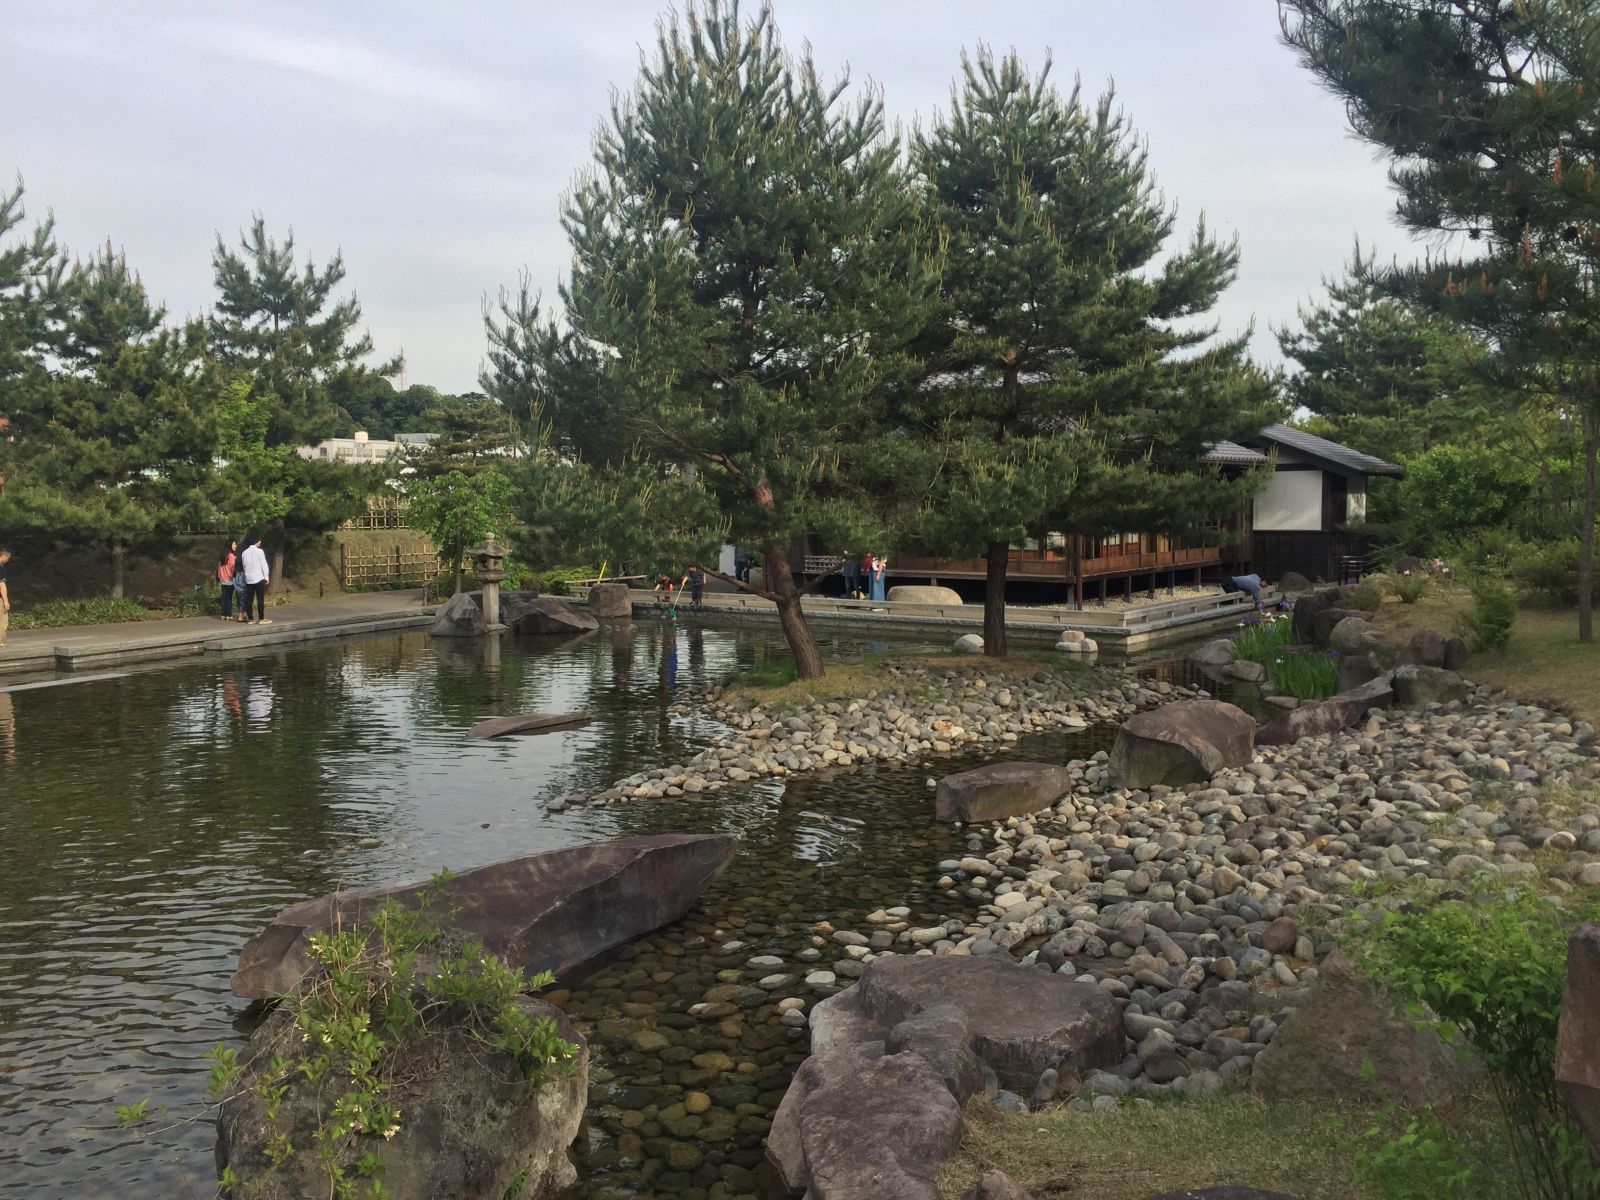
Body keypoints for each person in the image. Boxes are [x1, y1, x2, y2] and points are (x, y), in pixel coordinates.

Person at [239, 534, 271, 624]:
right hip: (259, 578)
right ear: (256, 541)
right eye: (259, 540)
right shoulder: (259, 551)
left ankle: (250, 618)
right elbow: (264, 565)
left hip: (249, 579)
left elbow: (244, 566)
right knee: (260, 599)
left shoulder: (244, 553)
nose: (260, 542)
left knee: (249, 599)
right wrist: (266, 577)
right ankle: (261, 618)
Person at [217, 540, 239, 620]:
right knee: (229, 597)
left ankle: (223, 615)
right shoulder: (231, 556)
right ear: (230, 545)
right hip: (230, 579)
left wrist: (219, 577)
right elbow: (233, 568)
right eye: (234, 544)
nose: (236, 545)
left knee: (224, 597)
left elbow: (219, 568)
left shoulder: (223, 555)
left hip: (222, 580)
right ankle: (229, 615)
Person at [0, 547, 10, 649]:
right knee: (2, 621)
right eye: (7, 557)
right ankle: (1, 643)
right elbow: (2, 585)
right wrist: (6, 601)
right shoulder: (1, 567)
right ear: (3, 556)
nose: (8, 560)